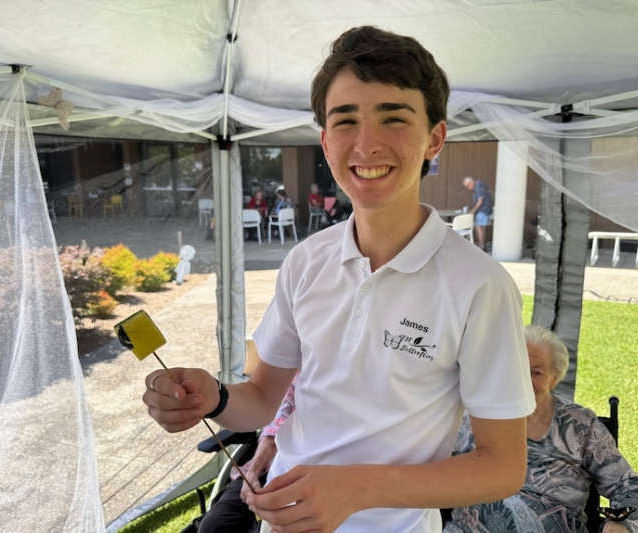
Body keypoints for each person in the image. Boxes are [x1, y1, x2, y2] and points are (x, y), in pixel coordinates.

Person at [143, 25, 535, 533]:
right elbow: (262, 398)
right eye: (345, 121)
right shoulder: (306, 261)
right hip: (281, 522)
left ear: (434, 137)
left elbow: (503, 466)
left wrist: (358, 487)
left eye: (394, 118)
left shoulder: (480, 284)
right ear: (326, 142)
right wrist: (213, 397)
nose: (366, 144)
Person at [444, 325, 638, 533]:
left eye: (535, 372)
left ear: (555, 378)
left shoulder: (580, 426)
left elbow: (632, 487)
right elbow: (434, 466)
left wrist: (620, 523)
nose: (523, 380)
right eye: (516, 368)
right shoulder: (474, 414)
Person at [196, 377, 297, 533]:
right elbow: (273, 435)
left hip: (298, 474)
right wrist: (252, 474)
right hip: (262, 469)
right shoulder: (290, 378)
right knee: (212, 528)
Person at [461, 177, 493, 251]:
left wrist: (473, 211)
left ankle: (481, 247)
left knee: (479, 228)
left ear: (471, 182)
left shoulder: (478, 186)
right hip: (485, 210)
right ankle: (482, 246)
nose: (468, 188)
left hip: (483, 210)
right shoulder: (478, 185)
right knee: (481, 229)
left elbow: (480, 201)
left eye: (467, 186)